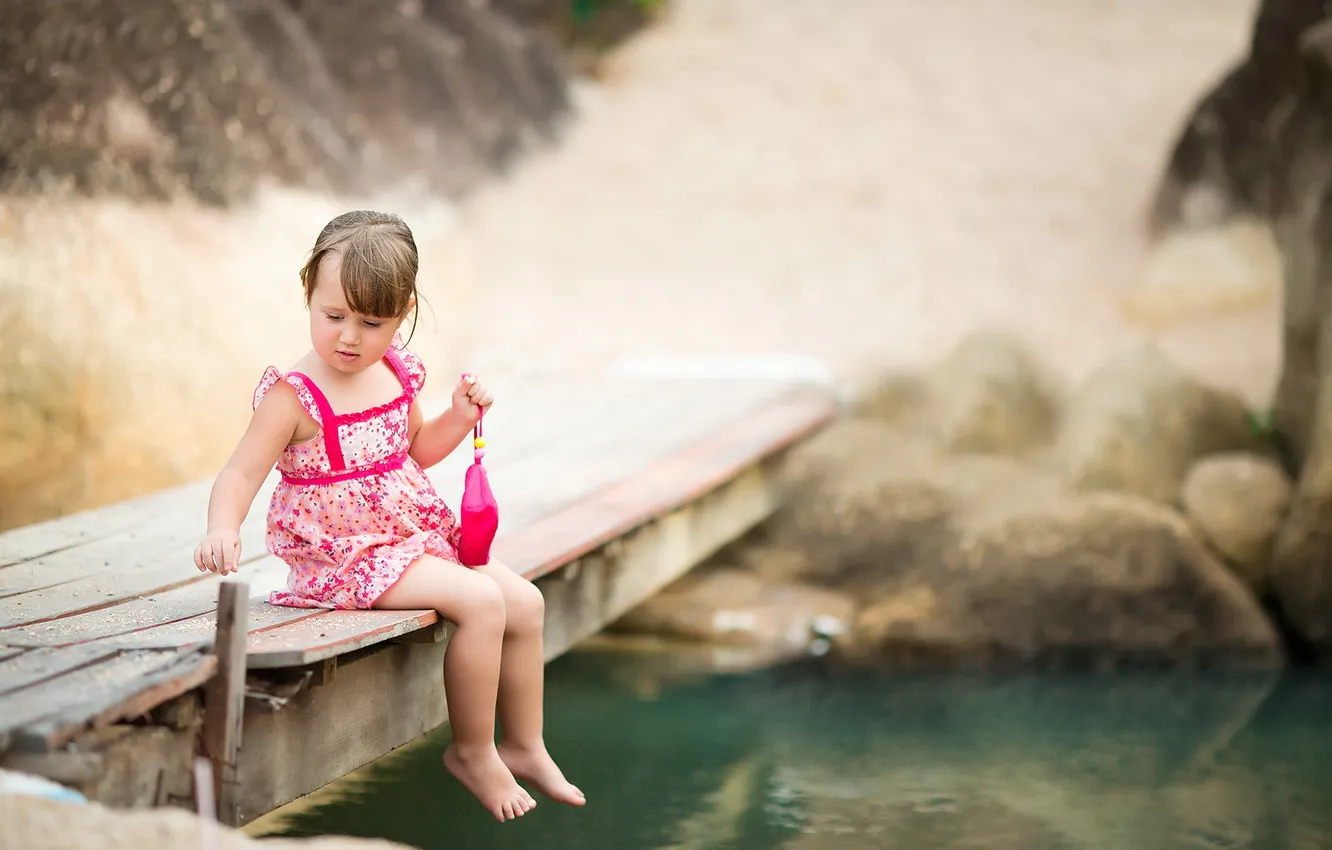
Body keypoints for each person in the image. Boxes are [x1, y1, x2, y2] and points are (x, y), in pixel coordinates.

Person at [193, 210, 584, 822]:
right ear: (309, 298)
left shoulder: (396, 372)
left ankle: (524, 744)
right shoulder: (294, 395)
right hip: (345, 559)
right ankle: (472, 750)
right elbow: (241, 471)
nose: (349, 337)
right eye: (333, 316)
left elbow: (415, 452)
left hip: (408, 538)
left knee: (526, 602)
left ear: (402, 314)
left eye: (371, 322)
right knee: (482, 603)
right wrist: (223, 526)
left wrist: (457, 416)